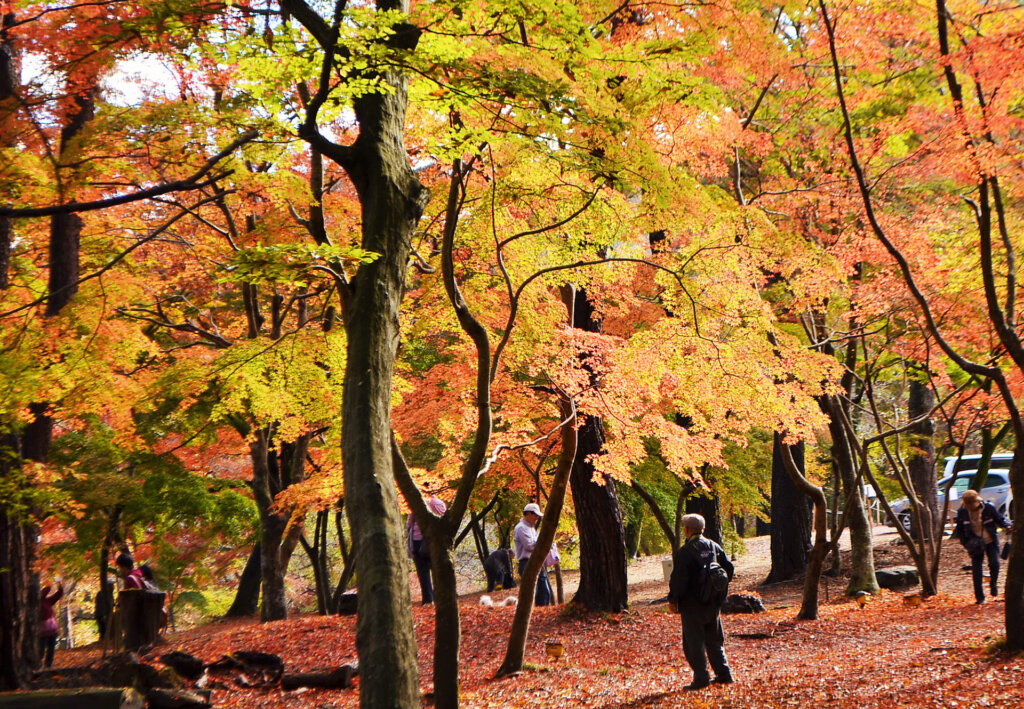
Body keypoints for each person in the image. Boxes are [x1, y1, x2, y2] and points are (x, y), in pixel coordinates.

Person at [667, 513, 734, 690]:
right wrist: (715, 590)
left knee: (694, 643)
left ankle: (701, 678)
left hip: (692, 605)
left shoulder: (685, 552)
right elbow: (729, 569)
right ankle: (724, 674)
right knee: (715, 641)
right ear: (703, 529)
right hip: (713, 602)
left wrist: (673, 600)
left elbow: (679, 580)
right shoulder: (714, 547)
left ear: (687, 530)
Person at [954, 489, 1012, 604]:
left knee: (994, 563)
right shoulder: (962, 512)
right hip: (974, 543)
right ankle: (980, 597)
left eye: (974, 503)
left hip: (990, 540)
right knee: (977, 570)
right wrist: (966, 543)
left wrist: (1007, 526)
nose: (972, 506)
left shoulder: (989, 507)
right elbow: (959, 530)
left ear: (978, 500)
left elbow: (1000, 520)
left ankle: (993, 584)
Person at [406, 489, 447, 604]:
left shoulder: (416, 503)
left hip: (418, 540)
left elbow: (409, 524)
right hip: (435, 540)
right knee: (437, 568)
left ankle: (428, 598)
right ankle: (441, 595)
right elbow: (444, 521)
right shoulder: (440, 504)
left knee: (423, 571)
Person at [513, 502, 552, 606]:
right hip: (526, 563)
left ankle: (543, 611)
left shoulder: (531, 527)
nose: (537, 518)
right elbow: (529, 546)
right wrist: (542, 542)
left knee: (544, 591)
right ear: (528, 514)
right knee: (537, 591)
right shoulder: (521, 528)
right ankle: (538, 612)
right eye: (535, 515)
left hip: (535, 561)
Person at [38, 578, 63, 669]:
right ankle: (38, 665)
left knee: (51, 649)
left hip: (53, 630)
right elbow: (44, 592)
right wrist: (49, 584)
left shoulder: (48, 601)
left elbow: (58, 595)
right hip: (43, 631)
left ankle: (48, 665)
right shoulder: (37, 603)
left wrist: (59, 585)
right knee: (41, 650)